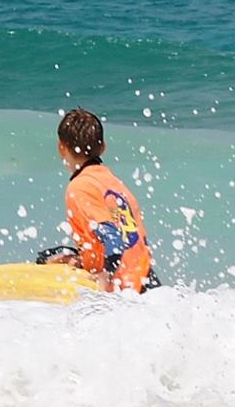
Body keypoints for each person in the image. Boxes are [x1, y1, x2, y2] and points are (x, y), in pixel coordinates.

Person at [40, 107, 158, 292]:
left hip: (125, 292)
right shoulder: (114, 184)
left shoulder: (79, 187)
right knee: (56, 254)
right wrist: (81, 260)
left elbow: (113, 240)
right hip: (148, 281)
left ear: (61, 148)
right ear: (103, 147)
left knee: (42, 260)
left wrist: (105, 279)